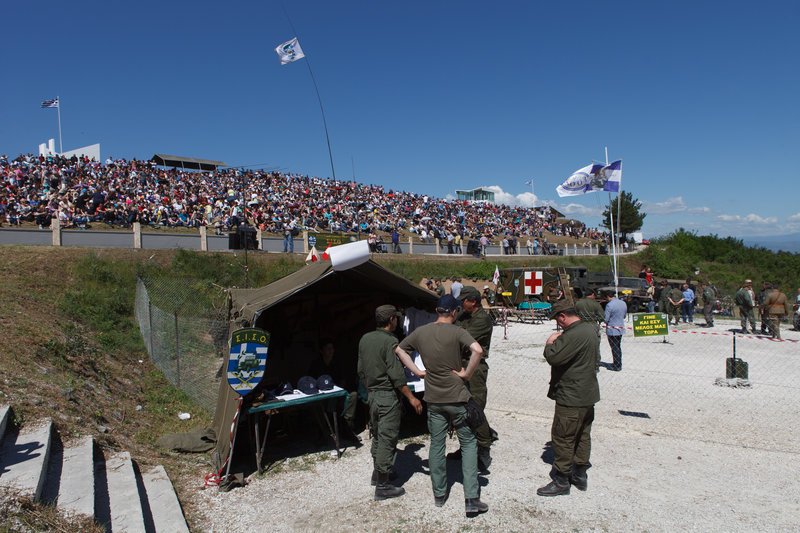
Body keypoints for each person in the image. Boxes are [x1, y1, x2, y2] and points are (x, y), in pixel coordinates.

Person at [395, 295, 488, 515]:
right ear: (454, 312)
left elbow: (399, 350)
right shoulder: (457, 331)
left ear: (438, 311)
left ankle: (439, 494)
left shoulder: (422, 332)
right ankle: (471, 499)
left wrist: (417, 371)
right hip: (457, 396)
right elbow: (478, 350)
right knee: (468, 444)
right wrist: (466, 373)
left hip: (434, 398)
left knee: (437, 445)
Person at [357, 305, 423, 501]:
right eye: (396, 318)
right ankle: (383, 486)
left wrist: (371, 389)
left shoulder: (365, 339)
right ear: (391, 320)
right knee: (388, 438)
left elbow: (361, 370)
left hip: (373, 395)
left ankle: (378, 473)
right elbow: (396, 375)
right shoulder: (390, 341)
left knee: (377, 435)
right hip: (387, 395)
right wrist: (411, 398)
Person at [537, 300, 601, 497]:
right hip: (587, 393)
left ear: (563, 316)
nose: (558, 324)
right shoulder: (591, 329)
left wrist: (550, 343)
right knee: (582, 434)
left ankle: (562, 479)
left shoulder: (574, 334)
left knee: (563, 437)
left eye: (558, 319)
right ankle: (580, 474)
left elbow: (554, 357)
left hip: (571, 395)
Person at [450, 286, 494, 470]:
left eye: (464, 300)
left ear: (473, 301)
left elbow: (462, 338)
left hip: (474, 368)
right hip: (461, 365)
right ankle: (466, 447)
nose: (461, 303)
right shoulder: (464, 315)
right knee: (462, 408)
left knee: (475, 408)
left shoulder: (483, 319)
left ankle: (483, 450)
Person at [309, 340, 359, 443]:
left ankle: (347, 428)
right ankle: (326, 433)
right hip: (321, 394)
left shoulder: (337, 362)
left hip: (337, 392)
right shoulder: (316, 364)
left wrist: (338, 389)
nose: (331, 351)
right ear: (321, 351)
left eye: (332, 348)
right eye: (328, 349)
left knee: (353, 395)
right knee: (316, 405)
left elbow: (343, 379)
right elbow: (311, 381)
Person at [604, 293, 627, 371]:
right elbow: (624, 316)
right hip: (620, 328)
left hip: (612, 329)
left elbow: (606, 318)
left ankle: (617, 365)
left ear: (608, 296)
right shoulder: (623, 303)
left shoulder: (609, 305)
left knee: (614, 347)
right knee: (618, 346)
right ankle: (618, 363)